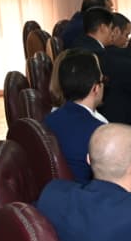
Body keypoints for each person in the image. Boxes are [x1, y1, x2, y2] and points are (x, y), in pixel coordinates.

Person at [43, 51, 107, 181]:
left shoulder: (48, 120)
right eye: (102, 81)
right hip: (84, 191)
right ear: (95, 88)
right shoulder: (99, 132)